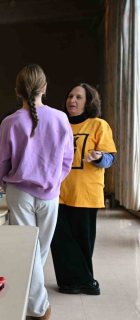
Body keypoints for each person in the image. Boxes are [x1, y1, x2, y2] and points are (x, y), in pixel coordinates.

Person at [0, 64, 74, 320]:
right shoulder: (61, 119)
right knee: (39, 250)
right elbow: (68, 159)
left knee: (29, 251)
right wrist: (54, 180)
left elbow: (4, 161)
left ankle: (33, 303)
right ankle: (39, 307)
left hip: (19, 192)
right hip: (50, 193)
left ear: (17, 91)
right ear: (44, 88)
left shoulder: (10, 122)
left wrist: (3, 184)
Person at [50, 83, 117, 295]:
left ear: (88, 102)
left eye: (78, 97)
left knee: (83, 242)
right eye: (70, 96)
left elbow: (110, 158)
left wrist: (99, 157)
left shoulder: (98, 125)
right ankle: (74, 281)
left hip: (86, 193)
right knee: (59, 239)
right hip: (58, 193)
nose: (72, 101)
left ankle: (81, 282)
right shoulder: (59, 124)